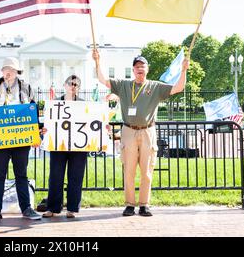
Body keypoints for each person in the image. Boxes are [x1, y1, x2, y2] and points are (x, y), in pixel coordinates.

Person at [93, 50, 189, 217]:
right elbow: (102, 79)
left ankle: (144, 204)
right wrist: (97, 61)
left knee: (146, 171)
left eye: (143, 66)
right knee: (129, 170)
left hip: (147, 131)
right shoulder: (124, 85)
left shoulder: (156, 86)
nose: (140, 69)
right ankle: (130, 204)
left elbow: (179, 87)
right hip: (128, 130)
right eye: (137, 66)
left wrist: (184, 70)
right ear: (133, 70)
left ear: (147, 69)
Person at [0, 57, 42, 223]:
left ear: (16, 72)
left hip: (21, 138)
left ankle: (26, 208)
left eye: (11, 69)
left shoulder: (26, 88)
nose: (8, 72)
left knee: (21, 174)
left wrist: (36, 134)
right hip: (0, 138)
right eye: (5, 69)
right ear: (2, 71)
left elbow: (33, 111)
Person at [42, 75, 87, 219]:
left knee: (76, 177)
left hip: (78, 146)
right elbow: (47, 123)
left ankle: (72, 209)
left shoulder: (84, 104)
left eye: (76, 84)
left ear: (78, 88)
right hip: (58, 145)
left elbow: (91, 124)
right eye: (70, 83)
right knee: (55, 176)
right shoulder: (54, 103)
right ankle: (52, 208)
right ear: (65, 85)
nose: (73, 86)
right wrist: (45, 130)